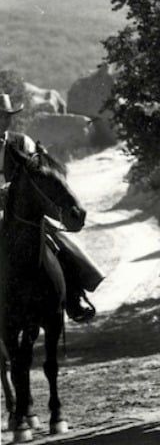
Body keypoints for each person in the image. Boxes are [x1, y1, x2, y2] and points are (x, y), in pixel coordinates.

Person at [0, 93, 102, 323]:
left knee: (57, 241)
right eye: (0, 116)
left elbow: (41, 173)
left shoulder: (23, 142)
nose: (4, 121)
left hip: (22, 211)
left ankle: (75, 296)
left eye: (7, 117)